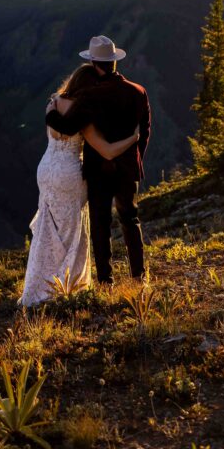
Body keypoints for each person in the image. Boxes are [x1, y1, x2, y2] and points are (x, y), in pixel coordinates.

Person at [20, 63, 139, 307]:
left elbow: (58, 126)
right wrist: (133, 138)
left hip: (46, 169)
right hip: (68, 173)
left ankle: (38, 284)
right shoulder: (84, 114)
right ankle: (66, 285)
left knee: (47, 226)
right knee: (71, 229)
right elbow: (106, 151)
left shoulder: (53, 102)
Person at [45, 35, 151, 286]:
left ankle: (106, 280)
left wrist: (50, 112)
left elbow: (68, 128)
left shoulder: (90, 96)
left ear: (94, 64)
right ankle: (139, 276)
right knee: (130, 219)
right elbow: (144, 133)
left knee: (101, 225)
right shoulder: (138, 92)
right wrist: (134, 160)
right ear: (114, 62)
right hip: (126, 168)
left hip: (98, 170)